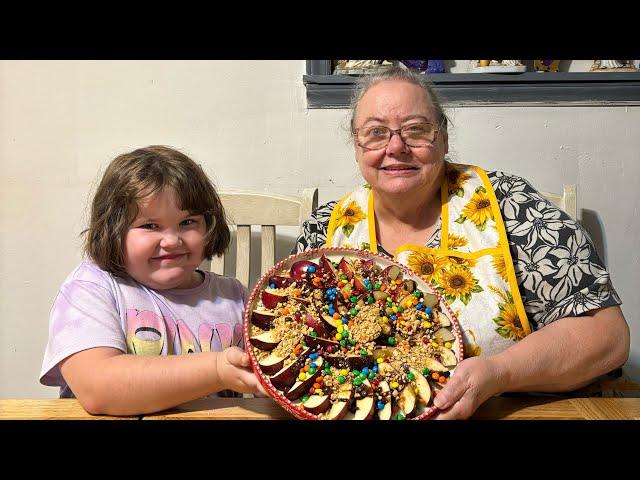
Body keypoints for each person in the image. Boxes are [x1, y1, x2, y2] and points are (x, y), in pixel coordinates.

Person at [293, 66, 630, 419]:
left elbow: (606, 336)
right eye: (376, 133)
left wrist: (500, 373)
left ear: (444, 137)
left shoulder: (510, 206)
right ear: (357, 144)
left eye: (416, 130)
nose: (396, 147)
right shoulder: (324, 231)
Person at [40, 145, 266, 416]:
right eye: (150, 226)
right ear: (113, 231)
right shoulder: (92, 288)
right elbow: (99, 389)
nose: (172, 241)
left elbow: (273, 380)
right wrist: (217, 369)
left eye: (187, 222)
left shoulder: (234, 297)